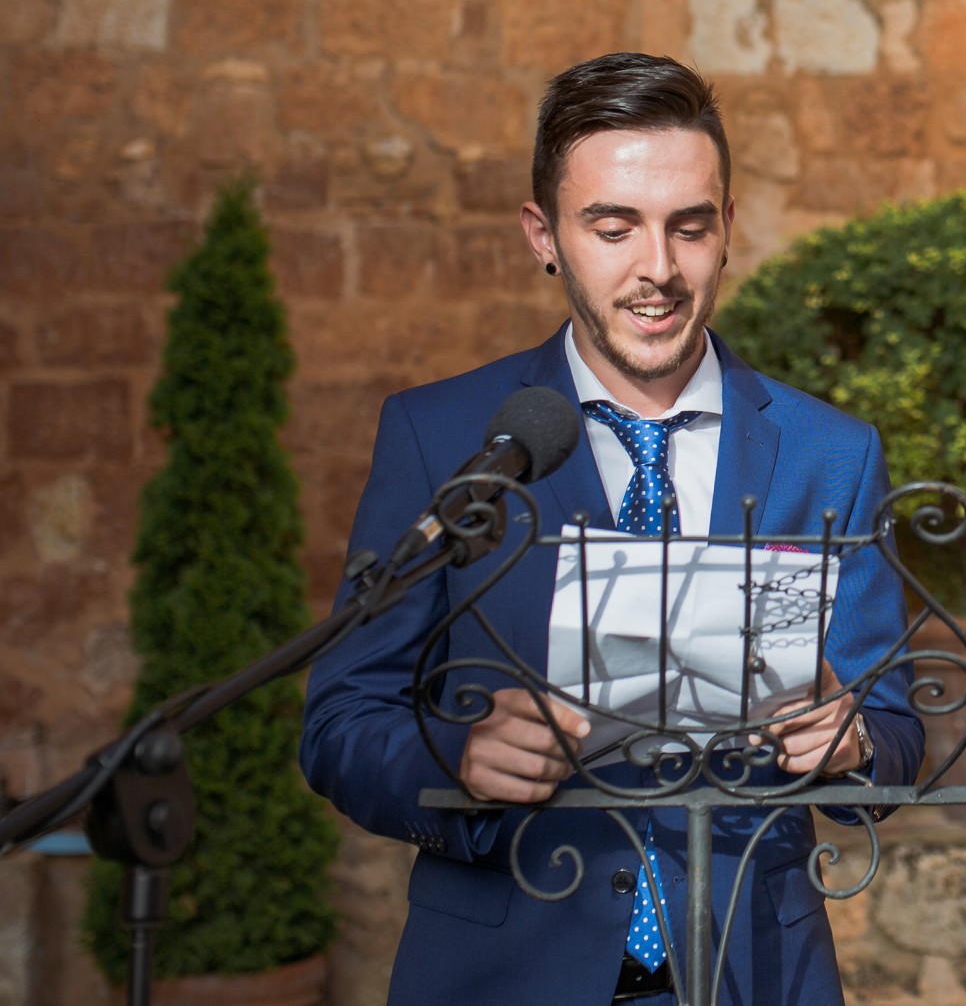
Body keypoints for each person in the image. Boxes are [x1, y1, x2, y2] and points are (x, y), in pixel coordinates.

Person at [300, 52, 921, 1005]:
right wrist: (456, 759)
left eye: (689, 227)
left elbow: (901, 730)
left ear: (727, 229)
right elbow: (342, 720)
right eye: (613, 226)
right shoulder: (440, 434)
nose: (658, 269)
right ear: (544, 235)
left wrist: (854, 740)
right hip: (503, 979)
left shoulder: (831, 453)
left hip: (757, 975)